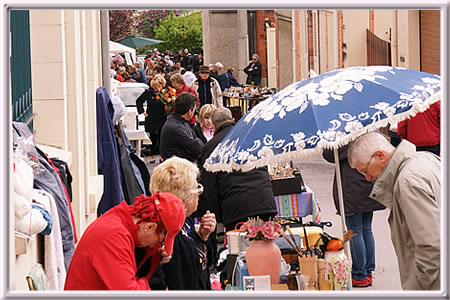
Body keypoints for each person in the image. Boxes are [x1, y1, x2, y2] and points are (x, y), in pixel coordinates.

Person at [347, 131, 440, 290]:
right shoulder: (424, 158)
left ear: (379, 156)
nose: (367, 178)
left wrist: (426, 287)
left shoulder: (407, 182)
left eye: (364, 170)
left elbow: (431, 246)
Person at [64, 192, 185, 290]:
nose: (158, 245)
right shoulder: (114, 237)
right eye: (161, 241)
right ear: (149, 227)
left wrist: (155, 254)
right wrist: (147, 284)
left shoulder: (121, 220)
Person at [199, 107, 277, 231]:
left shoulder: (211, 147)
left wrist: (220, 216)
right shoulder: (251, 138)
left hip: (236, 208)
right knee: (265, 244)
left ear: (213, 126)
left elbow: (210, 187)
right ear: (233, 120)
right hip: (264, 202)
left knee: (240, 248)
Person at [146, 157, 217, 290]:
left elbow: (202, 263)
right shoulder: (163, 230)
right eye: (197, 190)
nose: (199, 195)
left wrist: (203, 236)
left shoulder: (185, 219)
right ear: (184, 196)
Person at [322, 145, 385, 287]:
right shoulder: (367, 128)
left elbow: (329, 155)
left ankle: (359, 274)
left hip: (352, 187)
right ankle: (367, 271)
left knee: (355, 231)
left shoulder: (345, 135)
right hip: (368, 183)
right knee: (366, 230)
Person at [159, 92, 204, 163]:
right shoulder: (176, 127)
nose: (195, 112)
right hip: (178, 169)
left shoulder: (178, 122)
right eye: (194, 109)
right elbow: (198, 148)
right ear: (189, 111)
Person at [136, 74, 167, 164]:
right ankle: (153, 155)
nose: (154, 88)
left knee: (162, 138)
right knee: (153, 138)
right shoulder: (148, 92)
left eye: (156, 87)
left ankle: (162, 156)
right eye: (153, 87)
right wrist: (142, 111)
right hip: (152, 117)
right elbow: (139, 101)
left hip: (162, 117)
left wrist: (168, 109)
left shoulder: (165, 93)